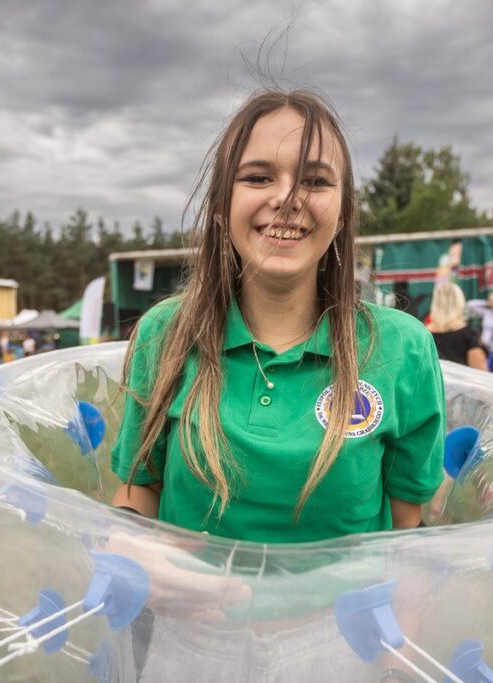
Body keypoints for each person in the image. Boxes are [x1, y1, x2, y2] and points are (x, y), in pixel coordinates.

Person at [110, 90, 445, 680]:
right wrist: (132, 558)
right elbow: (135, 499)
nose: (286, 199)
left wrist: (400, 656)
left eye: (315, 181)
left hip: (339, 644)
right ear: (221, 205)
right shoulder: (165, 332)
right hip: (190, 646)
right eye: (258, 176)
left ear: (342, 209)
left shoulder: (401, 347)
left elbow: (410, 536)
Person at [427, 281, 486, 370]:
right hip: (462, 382)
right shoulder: (467, 333)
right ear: (459, 301)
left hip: (435, 383)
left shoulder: (425, 333)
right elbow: (480, 370)